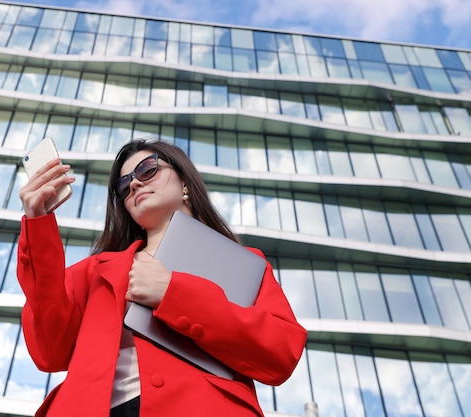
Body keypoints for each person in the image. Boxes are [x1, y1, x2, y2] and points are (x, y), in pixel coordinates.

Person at [17, 138, 307, 417]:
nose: (134, 183)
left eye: (147, 169)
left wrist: (173, 293)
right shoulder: (95, 270)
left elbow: (280, 353)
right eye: (123, 185)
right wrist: (38, 222)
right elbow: (49, 352)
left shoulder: (245, 265)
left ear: (184, 182)